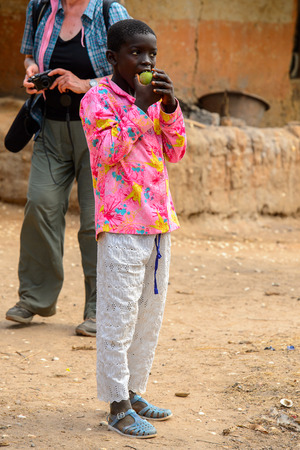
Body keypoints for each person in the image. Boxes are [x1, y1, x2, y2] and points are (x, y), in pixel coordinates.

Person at [80, 19, 186, 438]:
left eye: (151, 54)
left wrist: (171, 106)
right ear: (112, 58)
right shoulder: (97, 98)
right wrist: (141, 108)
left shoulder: (157, 99)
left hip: (158, 223)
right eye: (135, 53)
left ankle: (135, 390)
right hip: (121, 225)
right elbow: (106, 152)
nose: (146, 61)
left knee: (147, 318)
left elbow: (176, 152)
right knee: (117, 317)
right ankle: (117, 405)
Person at [5, 0, 130, 337]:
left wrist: (85, 84)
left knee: (94, 222)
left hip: (99, 133)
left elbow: (133, 72)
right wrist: (32, 72)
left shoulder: (110, 11)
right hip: (50, 126)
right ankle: (34, 299)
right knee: (40, 204)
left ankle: (98, 310)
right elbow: (30, 54)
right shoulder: (40, 7)